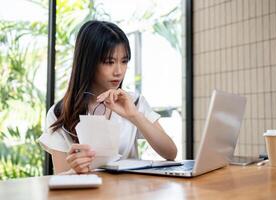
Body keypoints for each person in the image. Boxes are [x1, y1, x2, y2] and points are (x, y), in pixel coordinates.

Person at [38, 20, 177, 174]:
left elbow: (170, 153)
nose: (118, 71)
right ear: (88, 62)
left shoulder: (133, 102)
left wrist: (134, 115)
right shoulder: (60, 112)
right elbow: (60, 177)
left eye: (124, 61)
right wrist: (74, 170)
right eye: (109, 62)